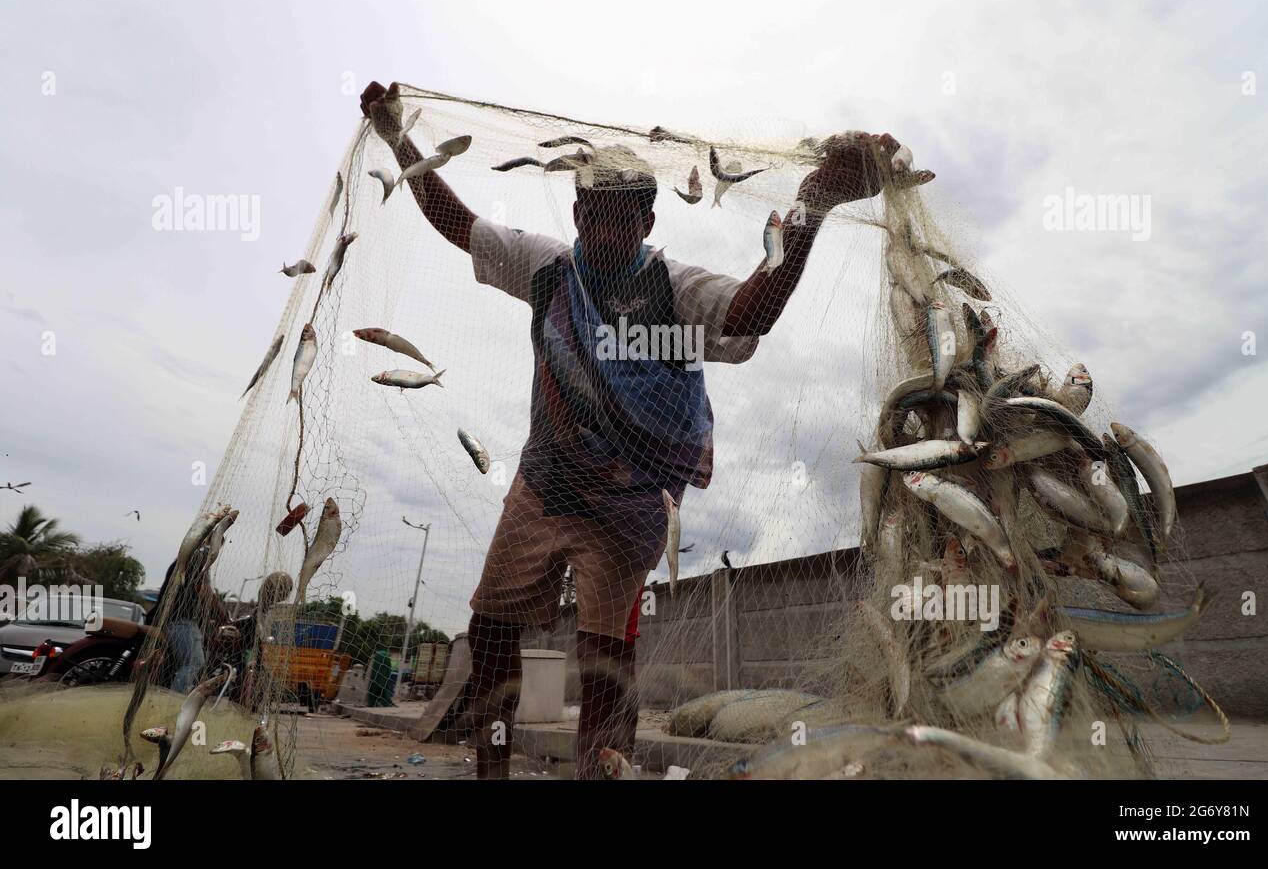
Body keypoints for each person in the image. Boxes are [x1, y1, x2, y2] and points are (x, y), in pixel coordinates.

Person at [360, 81, 930, 778]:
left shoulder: (675, 288)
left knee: (607, 657)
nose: (604, 235)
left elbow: (752, 312)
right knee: (491, 628)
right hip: (544, 485)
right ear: (576, 211)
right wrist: (397, 137)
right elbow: (457, 222)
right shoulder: (547, 268)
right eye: (593, 217)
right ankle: (492, 766)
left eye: (622, 219)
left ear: (649, 220)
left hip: (632, 504)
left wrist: (811, 208)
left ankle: (606, 766)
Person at [145, 551, 228, 693]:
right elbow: (204, 591)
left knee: (177, 664)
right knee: (194, 662)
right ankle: (174, 701)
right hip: (180, 622)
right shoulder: (196, 561)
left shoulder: (181, 563)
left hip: (168, 620)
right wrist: (223, 615)